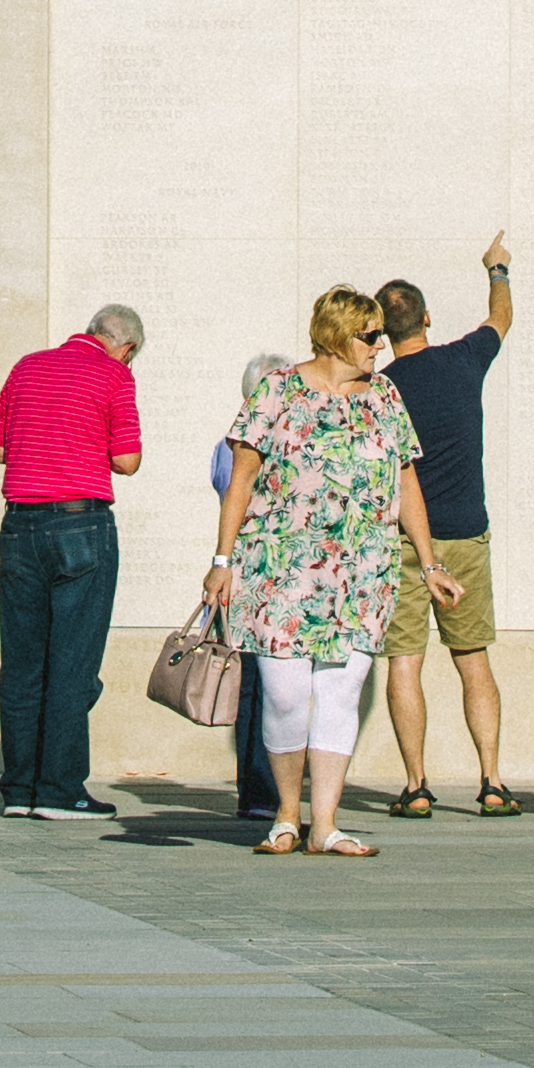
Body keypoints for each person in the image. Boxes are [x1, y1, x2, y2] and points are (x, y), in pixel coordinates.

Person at [197, 287, 436, 857]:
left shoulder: (384, 396)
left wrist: (430, 563)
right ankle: (285, 815)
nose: (381, 345)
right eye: (370, 335)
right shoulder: (277, 391)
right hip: (281, 567)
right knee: (283, 695)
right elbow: (242, 480)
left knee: (341, 691)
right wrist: (221, 561)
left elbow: (406, 482)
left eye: (381, 334)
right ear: (336, 337)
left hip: (362, 570)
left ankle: (324, 823)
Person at [366, 240, 521, 816]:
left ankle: (416, 785)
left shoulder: (377, 389)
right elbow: (500, 317)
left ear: (381, 331)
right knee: (472, 658)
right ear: (427, 318)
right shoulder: (463, 360)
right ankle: (492, 779)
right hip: (464, 536)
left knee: (405, 661)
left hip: (403, 539)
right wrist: (497, 268)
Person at [0, 307, 148, 818]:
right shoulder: (114, 375)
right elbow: (127, 461)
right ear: (126, 347)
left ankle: (19, 789)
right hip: (80, 523)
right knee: (73, 663)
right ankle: (59, 789)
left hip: (20, 525)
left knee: (22, 664)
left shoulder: (26, 367)